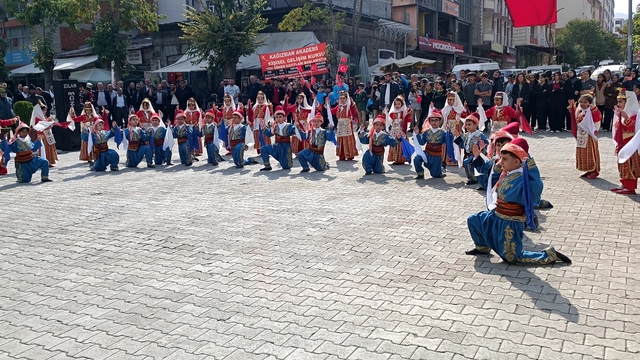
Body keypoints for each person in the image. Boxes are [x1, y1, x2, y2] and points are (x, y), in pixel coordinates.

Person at [465, 138, 571, 265]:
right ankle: (482, 247)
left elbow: (536, 190)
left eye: (504, 159)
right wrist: (491, 164)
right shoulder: (507, 173)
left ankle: (548, 255)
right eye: (501, 158)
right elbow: (491, 181)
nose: (501, 162)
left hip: (510, 223)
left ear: (516, 162)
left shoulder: (523, 179)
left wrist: (532, 167)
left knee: (511, 258)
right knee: (473, 220)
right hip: (495, 215)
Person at [612, 91, 640, 194]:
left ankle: (630, 187)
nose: (618, 104)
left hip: (630, 144)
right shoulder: (624, 112)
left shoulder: (635, 114)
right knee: (622, 164)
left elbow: (634, 128)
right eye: (618, 102)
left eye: (620, 102)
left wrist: (626, 118)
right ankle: (624, 183)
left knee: (630, 165)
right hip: (622, 143)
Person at [259, 106, 301, 171]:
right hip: (276, 146)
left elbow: (294, 132)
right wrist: (263, 127)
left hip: (285, 148)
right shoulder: (274, 126)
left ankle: (284, 161)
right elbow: (269, 134)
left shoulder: (288, 125)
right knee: (263, 149)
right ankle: (267, 166)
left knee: (286, 167)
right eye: (277, 117)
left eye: (280, 117)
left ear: (284, 117)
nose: (278, 119)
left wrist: (297, 127)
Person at [570, 94, 601, 179]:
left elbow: (598, 118)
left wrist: (594, 109)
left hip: (590, 136)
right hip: (581, 135)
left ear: (590, 103)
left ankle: (594, 170)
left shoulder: (592, 110)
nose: (583, 104)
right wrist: (572, 106)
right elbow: (574, 116)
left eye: (585, 102)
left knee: (591, 153)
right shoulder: (580, 111)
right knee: (582, 153)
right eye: (581, 102)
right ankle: (588, 170)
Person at [453, 115, 488, 185]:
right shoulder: (466, 135)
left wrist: (480, 141)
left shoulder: (479, 134)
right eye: (466, 125)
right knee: (467, 164)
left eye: (469, 124)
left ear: (475, 125)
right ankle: (473, 177)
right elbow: (462, 145)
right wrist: (457, 137)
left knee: (468, 163)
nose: (467, 126)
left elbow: (486, 143)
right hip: (468, 155)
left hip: (477, 154)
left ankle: (473, 179)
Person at [413, 110, 448, 179]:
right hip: (427, 154)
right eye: (432, 120)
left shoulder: (443, 132)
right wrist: (417, 134)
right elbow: (422, 142)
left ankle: (441, 169)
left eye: (436, 120)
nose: (434, 122)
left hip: (437, 156)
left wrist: (450, 134)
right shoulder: (426, 132)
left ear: (439, 121)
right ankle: (420, 173)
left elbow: (448, 142)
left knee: (435, 176)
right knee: (417, 159)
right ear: (429, 122)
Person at [328, 92, 359, 161]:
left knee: (348, 139)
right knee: (341, 140)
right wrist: (327, 105)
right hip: (340, 126)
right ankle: (342, 155)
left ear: (346, 99)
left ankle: (349, 154)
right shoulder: (338, 106)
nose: (342, 100)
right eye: (341, 98)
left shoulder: (349, 106)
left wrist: (352, 103)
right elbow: (331, 111)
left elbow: (355, 111)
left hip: (347, 125)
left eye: (343, 98)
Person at [441, 91, 469, 167]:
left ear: (455, 100)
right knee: (447, 143)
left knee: (456, 143)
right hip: (448, 128)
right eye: (448, 100)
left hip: (456, 128)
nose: (449, 101)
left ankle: (456, 159)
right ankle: (448, 159)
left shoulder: (459, 109)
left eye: (451, 100)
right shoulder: (446, 108)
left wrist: (465, 109)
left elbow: (465, 116)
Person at [31, 101, 59, 167]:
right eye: (44, 110)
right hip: (43, 135)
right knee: (45, 149)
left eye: (46, 110)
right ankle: (44, 161)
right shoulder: (37, 118)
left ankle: (50, 161)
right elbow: (41, 126)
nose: (45, 112)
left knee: (49, 147)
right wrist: (48, 122)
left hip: (48, 134)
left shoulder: (44, 117)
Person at [248, 91, 273, 156]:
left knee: (264, 137)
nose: (260, 101)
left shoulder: (266, 107)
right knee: (257, 136)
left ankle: (266, 150)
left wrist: (266, 123)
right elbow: (252, 114)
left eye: (261, 99)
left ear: (263, 99)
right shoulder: (255, 106)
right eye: (258, 99)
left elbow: (267, 116)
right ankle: (260, 150)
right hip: (256, 123)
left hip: (263, 123)